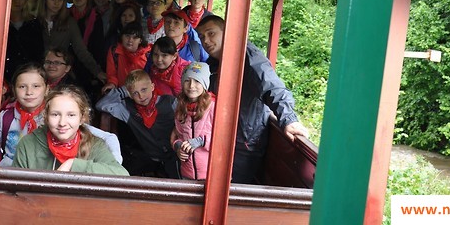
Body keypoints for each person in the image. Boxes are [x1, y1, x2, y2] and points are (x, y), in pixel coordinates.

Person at [196, 15, 309, 184]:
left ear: (227, 32)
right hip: (220, 137)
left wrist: (289, 119)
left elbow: (272, 86)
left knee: (233, 189)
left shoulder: (248, 56)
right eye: (201, 36)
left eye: (211, 33)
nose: (206, 41)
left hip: (245, 141)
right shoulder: (213, 63)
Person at [0, 64, 124, 165]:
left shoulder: (58, 117)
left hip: (47, 175)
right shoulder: (5, 118)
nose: (29, 92)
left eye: (36, 86)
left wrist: (112, 164)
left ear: (47, 89)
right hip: (11, 176)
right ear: (14, 90)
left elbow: (109, 138)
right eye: (22, 87)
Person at [13, 85, 129, 175]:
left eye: (71, 115)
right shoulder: (28, 144)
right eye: (55, 114)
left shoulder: (94, 145)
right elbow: (15, 188)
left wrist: (73, 165)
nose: (62, 123)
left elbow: (122, 175)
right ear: (46, 117)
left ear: (82, 118)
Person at [96, 69, 179, 178]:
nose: (141, 96)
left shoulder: (170, 102)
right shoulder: (127, 109)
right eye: (135, 93)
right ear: (130, 95)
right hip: (151, 158)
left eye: (144, 90)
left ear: (152, 86)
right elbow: (101, 105)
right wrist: (123, 91)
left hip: (175, 155)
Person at [33, 0, 106, 84]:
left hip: (60, 74)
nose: (56, 3)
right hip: (36, 72)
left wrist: (97, 72)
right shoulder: (34, 22)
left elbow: (81, 50)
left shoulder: (69, 22)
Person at [171, 62, 215, 180]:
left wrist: (201, 141)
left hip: (210, 174)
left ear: (205, 84)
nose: (191, 85)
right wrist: (178, 146)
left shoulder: (213, 107)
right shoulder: (180, 107)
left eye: (197, 81)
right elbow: (179, 135)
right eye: (187, 80)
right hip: (187, 173)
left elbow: (223, 139)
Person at [5, 0, 43, 82]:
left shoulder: (33, 23)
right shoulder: (1, 22)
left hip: (28, 72)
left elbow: (39, 51)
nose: (17, 1)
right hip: (5, 72)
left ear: (25, 0)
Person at [103, 23, 151, 93]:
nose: (130, 40)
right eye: (127, 36)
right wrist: (112, 83)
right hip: (123, 93)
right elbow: (112, 74)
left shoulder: (149, 53)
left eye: (135, 37)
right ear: (122, 37)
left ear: (140, 40)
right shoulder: (114, 51)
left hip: (144, 93)